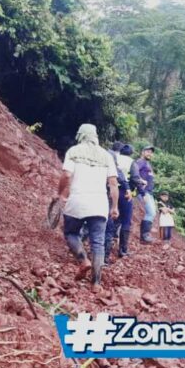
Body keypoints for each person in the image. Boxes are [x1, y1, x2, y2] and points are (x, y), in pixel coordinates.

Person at [56, 124, 119, 292]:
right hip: (99, 204)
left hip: (77, 200)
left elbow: (66, 175)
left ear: (80, 135)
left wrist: (60, 193)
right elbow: (113, 184)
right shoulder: (107, 156)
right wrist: (115, 207)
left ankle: (83, 259)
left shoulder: (74, 151)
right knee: (98, 243)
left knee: (71, 233)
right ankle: (96, 283)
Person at [103, 142, 131, 265]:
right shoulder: (112, 159)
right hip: (104, 194)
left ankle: (77, 247)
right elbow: (117, 179)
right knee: (108, 226)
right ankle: (104, 258)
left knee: (88, 225)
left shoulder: (102, 154)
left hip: (86, 194)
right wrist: (128, 188)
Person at [117, 144, 144, 257]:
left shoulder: (114, 158)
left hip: (111, 190)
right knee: (126, 220)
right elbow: (135, 178)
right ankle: (123, 249)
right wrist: (142, 187)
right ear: (131, 153)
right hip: (125, 192)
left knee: (110, 218)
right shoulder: (131, 162)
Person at [135, 146, 156, 243]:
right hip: (143, 192)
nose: (150, 154)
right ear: (142, 152)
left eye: (151, 152)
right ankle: (144, 236)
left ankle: (145, 236)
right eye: (147, 151)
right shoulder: (140, 162)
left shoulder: (148, 163)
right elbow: (134, 173)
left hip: (149, 192)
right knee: (150, 212)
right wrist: (140, 181)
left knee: (152, 213)